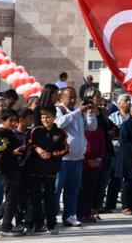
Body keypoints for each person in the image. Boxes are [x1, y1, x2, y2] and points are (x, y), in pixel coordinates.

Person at [54, 86, 97, 228]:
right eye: (69, 97)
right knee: (56, 189)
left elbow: (91, 127)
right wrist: (79, 111)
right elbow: (59, 123)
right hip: (63, 159)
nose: (72, 100)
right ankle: (51, 215)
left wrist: (90, 113)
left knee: (72, 190)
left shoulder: (77, 112)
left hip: (77, 158)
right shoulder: (58, 109)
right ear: (61, 98)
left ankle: (70, 216)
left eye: (74, 97)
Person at [25, 106, 67, 235]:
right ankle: (34, 224)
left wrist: (52, 154)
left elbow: (65, 148)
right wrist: (37, 149)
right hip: (35, 170)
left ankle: (51, 224)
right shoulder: (35, 131)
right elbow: (28, 143)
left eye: (48, 117)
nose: (45, 120)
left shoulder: (60, 133)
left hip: (51, 170)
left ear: (54, 117)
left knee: (50, 198)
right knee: (34, 198)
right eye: (43, 117)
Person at [0, 109, 26, 236]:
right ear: (3, 121)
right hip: (5, 171)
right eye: (11, 121)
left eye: (15, 121)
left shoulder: (10, 133)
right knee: (11, 198)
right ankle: (5, 227)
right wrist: (12, 153)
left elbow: (17, 148)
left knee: (12, 198)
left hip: (14, 169)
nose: (14, 123)